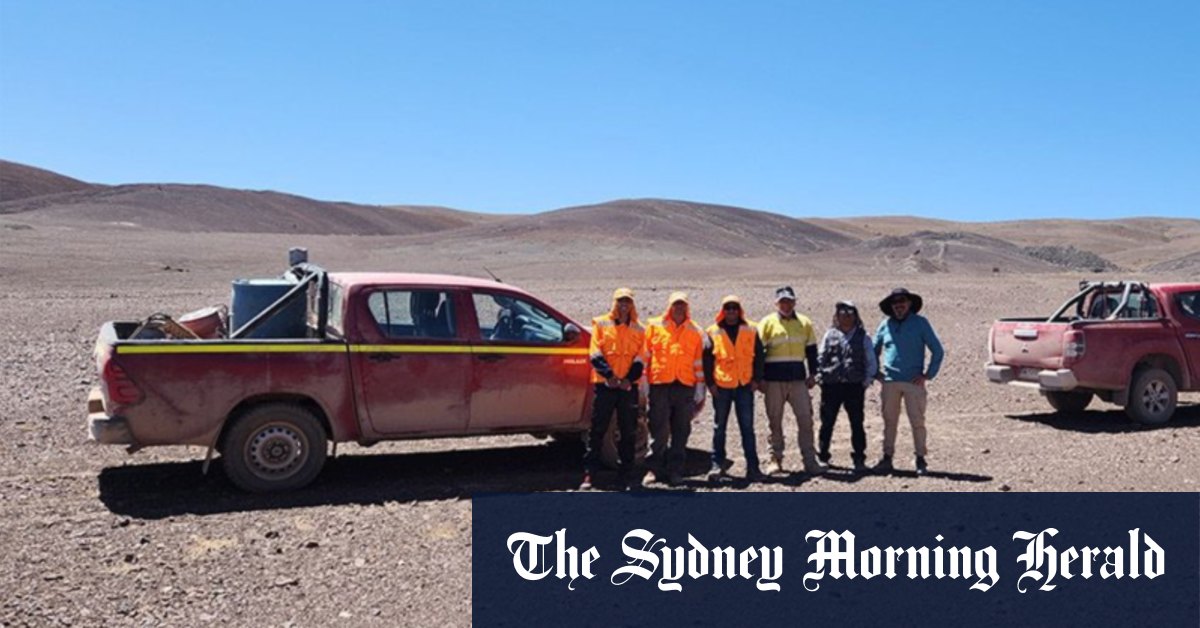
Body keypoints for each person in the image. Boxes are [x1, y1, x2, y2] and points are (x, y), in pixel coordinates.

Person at [872, 288, 945, 476]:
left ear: (910, 303)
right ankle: (887, 458)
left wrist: (927, 375)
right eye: (895, 302)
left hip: (914, 383)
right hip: (889, 383)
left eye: (902, 301)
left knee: (917, 422)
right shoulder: (885, 325)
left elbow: (937, 350)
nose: (899, 305)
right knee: (889, 422)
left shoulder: (921, 324)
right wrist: (875, 373)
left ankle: (920, 458)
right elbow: (872, 351)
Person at [580, 288, 645, 491]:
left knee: (628, 431)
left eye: (627, 301)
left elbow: (641, 357)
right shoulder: (600, 323)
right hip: (606, 385)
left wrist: (627, 379)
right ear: (614, 303)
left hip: (627, 387)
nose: (623, 305)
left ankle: (626, 475)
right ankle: (590, 474)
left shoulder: (639, 329)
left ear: (632, 304)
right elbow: (595, 352)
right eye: (620, 301)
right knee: (598, 429)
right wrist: (610, 376)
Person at [643, 292, 708, 486]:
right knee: (658, 429)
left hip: (685, 386)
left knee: (681, 430)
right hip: (660, 384)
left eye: (682, 305)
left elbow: (698, 361)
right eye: (675, 304)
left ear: (687, 307)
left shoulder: (695, 330)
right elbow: (646, 356)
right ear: (669, 306)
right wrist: (644, 384)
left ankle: (676, 471)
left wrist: (700, 387)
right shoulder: (654, 326)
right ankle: (653, 469)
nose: (679, 308)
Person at [757, 286, 822, 475]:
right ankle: (775, 459)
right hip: (773, 381)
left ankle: (810, 461)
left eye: (789, 301)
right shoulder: (767, 323)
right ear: (776, 303)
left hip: (798, 381)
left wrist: (813, 374)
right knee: (775, 421)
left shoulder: (804, 322)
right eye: (782, 301)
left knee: (805, 420)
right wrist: (760, 378)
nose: (786, 304)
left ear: (795, 302)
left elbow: (812, 351)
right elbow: (759, 354)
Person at [703, 295, 765, 483]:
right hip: (721, 387)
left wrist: (756, 380)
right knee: (719, 427)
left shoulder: (751, 329)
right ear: (723, 310)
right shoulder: (713, 331)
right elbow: (707, 360)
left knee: (747, 428)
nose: (731, 312)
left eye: (734, 308)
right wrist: (710, 384)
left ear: (740, 310)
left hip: (744, 385)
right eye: (728, 308)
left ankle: (753, 468)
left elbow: (760, 357)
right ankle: (717, 465)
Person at [816, 301, 877, 473]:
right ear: (836, 316)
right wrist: (821, 376)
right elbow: (821, 357)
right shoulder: (830, 335)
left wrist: (867, 380)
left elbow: (870, 360)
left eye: (850, 312)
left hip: (854, 386)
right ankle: (823, 455)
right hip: (831, 386)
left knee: (857, 423)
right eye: (842, 312)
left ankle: (859, 458)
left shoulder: (863, 336)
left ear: (856, 316)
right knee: (827, 422)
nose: (846, 315)